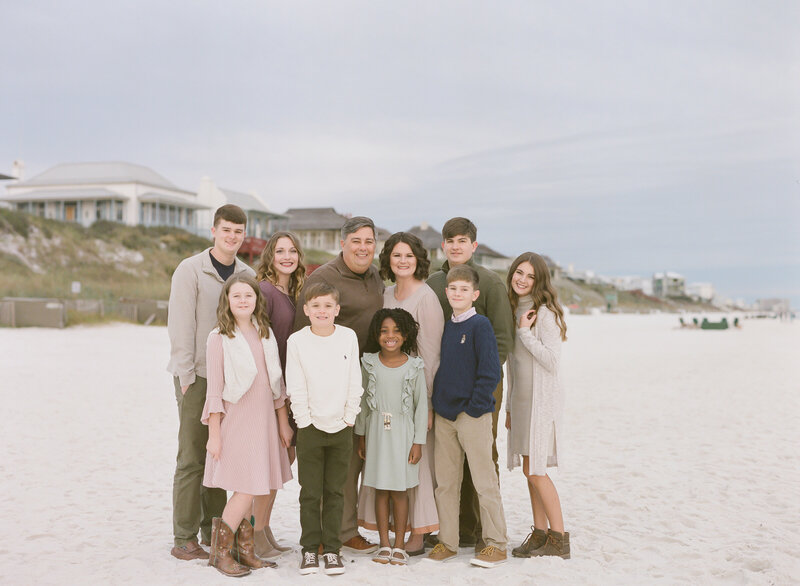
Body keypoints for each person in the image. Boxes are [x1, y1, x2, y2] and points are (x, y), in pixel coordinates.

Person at [167, 204, 254, 561]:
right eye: (226, 230)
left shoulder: (247, 272)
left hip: (231, 380)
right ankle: (184, 536)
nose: (232, 237)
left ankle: (212, 529)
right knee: (192, 457)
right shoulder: (190, 270)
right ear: (214, 230)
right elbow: (180, 326)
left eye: (238, 231)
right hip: (197, 376)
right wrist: (187, 377)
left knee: (219, 457)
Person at [293, 216, 384, 554]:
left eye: (369, 241)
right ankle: (319, 537)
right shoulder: (324, 278)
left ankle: (345, 530)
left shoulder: (375, 276)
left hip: (363, 381)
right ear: (342, 243)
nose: (363, 247)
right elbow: (301, 335)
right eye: (356, 241)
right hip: (327, 387)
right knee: (326, 468)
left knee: (351, 461)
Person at [426, 217, 514, 550]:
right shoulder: (435, 283)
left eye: (463, 240)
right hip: (446, 388)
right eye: (450, 240)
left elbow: (502, 338)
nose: (456, 246)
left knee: (481, 459)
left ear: (473, 245)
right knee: (448, 463)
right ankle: (454, 532)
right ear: (443, 245)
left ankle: (481, 532)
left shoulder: (489, 282)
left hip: (483, 384)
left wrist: (482, 388)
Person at [202, 275, 294, 576]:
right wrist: (213, 435)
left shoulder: (263, 332)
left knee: (252, 488)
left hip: (265, 418)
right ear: (227, 301)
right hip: (237, 420)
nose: (243, 301)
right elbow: (214, 390)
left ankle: (245, 551)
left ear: (257, 300)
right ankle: (221, 553)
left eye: (248, 296)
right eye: (236, 296)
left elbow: (275, 383)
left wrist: (283, 423)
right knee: (245, 488)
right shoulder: (218, 337)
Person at [286, 282, 365, 576]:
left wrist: (348, 416)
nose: (322, 311)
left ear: (337, 310)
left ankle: (331, 549)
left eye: (328, 306)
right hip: (310, 428)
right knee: (310, 492)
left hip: (341, 427)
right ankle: (309, 549)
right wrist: (304, 421)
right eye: (316, 306)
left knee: (335, 491)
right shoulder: (297, 341)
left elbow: (354, 380)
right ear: (306, 310)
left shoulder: (347, 337)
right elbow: (295, 384)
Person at [374, 232, 443, 554]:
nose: (402, 261)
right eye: (396, 255)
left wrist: (425, 403)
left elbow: (431, 354)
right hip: (385, 394)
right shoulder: (385, 294)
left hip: (415, 396)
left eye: (408, 256)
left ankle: (420, 531)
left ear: (418, 260)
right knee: (389, 465)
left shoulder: (426, 297)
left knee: (417, 464)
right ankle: (392, 531)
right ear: (388, 259)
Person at [505, 252, 570, 559]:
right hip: (519, 403)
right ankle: (540, 533)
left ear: (539, 281)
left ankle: (558, 538)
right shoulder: (513, 307)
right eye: (519, 272)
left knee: (537, 470)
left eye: (530, 276)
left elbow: (552, 361)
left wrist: (523, 333)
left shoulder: (545, 313)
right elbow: (513, 365)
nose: (522, 279)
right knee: (529, 470)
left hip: (539, 402)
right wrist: (507, 406)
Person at [355, 308, 428, 566]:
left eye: (397, 331)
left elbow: (422, 407)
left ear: (406, 334)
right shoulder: (369, 363)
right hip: (376, 432)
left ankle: (400, 545)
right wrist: (361, 436)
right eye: (385, 331)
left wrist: (418, 441)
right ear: (376, 334)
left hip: (403, 434)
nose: (390, 336)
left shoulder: (414, 366)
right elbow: (363, 403)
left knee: (400, 491)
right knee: (380, 489)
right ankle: (384, 544)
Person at [253, 230, 307, 558]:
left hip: (292, 387)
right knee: (271, 462)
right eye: (280, 251)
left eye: (292, 251)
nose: (287, 256)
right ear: (270, 255)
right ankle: (254, 530)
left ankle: (264, 526)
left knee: (283, 460)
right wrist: (276, 396)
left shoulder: (294, 291)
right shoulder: (264, 291)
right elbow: (259, 343)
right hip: (272, 389)